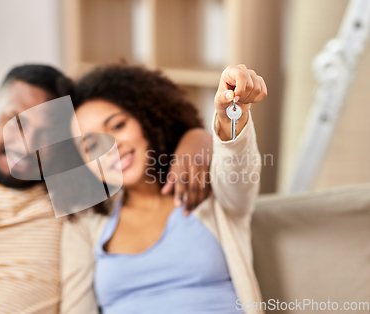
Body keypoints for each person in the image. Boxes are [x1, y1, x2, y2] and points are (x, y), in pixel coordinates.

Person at [0, 64, 213, 314]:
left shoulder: (77, 194)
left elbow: (146, 150)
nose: (26, 144)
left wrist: (194, 139)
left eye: (47, 133)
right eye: (16, 121)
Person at [60, 64, 267, 314]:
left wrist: (228, 115)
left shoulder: (205, 184)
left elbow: (239, 170)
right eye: (91, 146)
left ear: (148, 116)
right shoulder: (86, 222)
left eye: (117, 126)